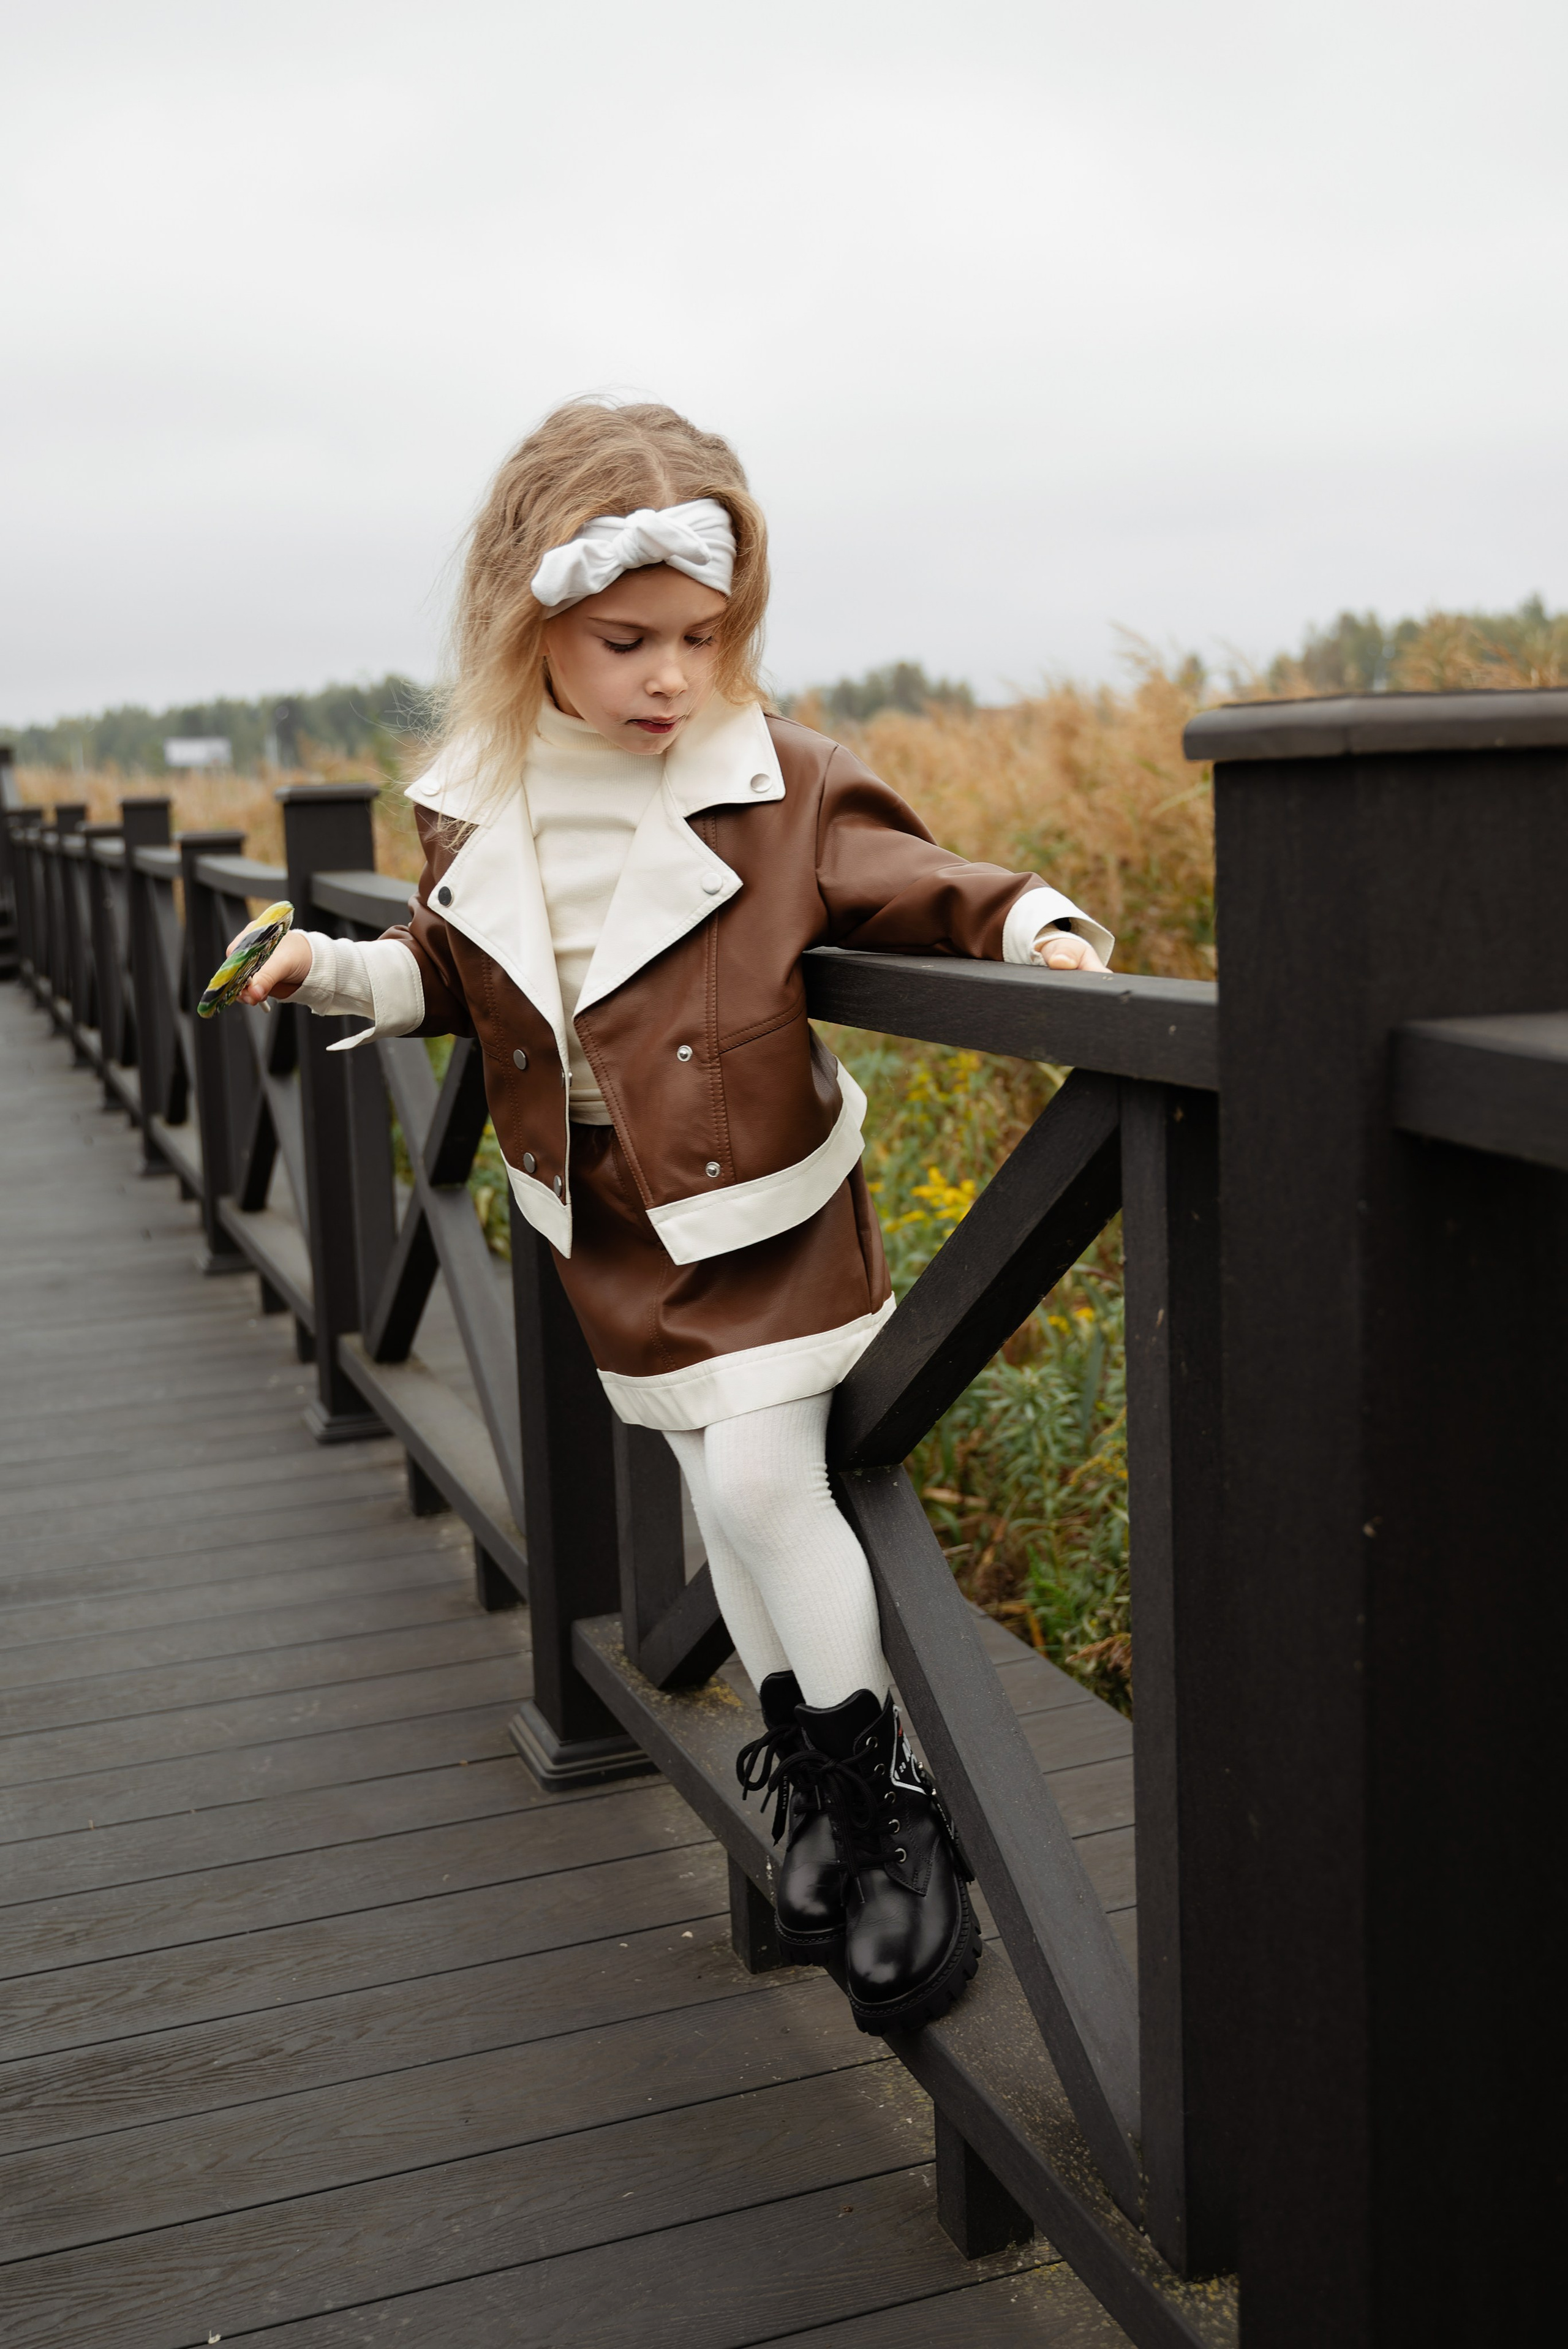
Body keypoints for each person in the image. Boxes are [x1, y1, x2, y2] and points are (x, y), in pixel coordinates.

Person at [242, 398, 1111, 2037]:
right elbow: (453, 965)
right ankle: (811, 1770)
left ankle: (892, 1814)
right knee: (716, 1491)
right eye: (627, 641)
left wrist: (1035, 931)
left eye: (703, 638)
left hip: (761, 1206)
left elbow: (920, 878)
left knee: (773, 1480)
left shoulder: (780, 779)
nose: (671, 679)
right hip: (612, 1223)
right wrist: (332, 967)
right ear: (530, 632)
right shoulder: (479, 797)